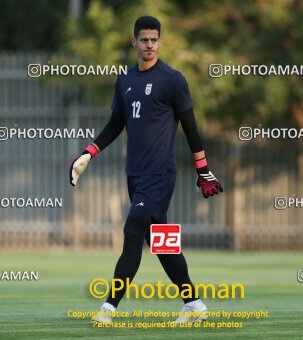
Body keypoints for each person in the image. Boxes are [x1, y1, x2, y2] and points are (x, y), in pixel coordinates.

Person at [69, 15, 223, 325]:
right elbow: (115, 125)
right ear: (134, 42)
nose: (149, 45)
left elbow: (191, 128)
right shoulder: (125, 80)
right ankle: (194, 306)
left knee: (132, 232)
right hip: (135, 174)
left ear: (160, 42)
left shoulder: (173, 80)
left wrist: (203, 169)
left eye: (154, 40)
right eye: (144, 40)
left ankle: (108, 310)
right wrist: (89, 153)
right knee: (161, 243)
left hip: (160, 174)